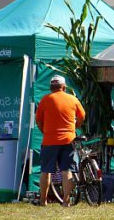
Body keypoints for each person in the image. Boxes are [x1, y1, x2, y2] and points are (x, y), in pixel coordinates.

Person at [35, 75, 85, 206]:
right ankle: (66, 201)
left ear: (51, 87)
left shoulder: (45, 100)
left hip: (49, 141)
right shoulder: (72, 99)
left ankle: (43, 201)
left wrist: (46, 132)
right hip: (68, 140)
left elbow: (39, 121)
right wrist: (74, 127)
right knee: (67, 171)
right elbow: (82, 117)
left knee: (45, 171)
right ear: (64, 87)